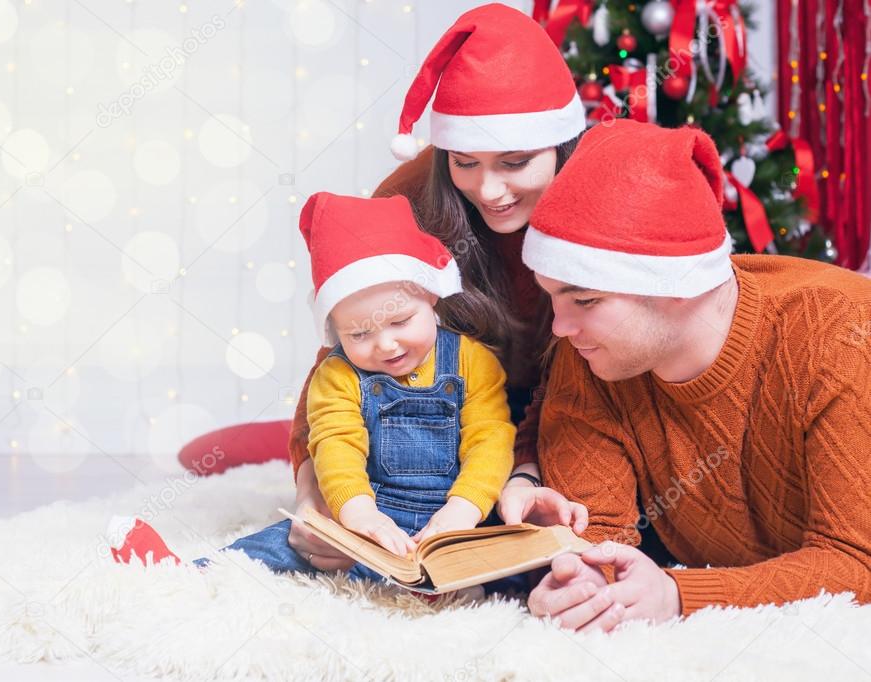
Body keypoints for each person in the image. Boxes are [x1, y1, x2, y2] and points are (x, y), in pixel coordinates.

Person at [178, 3, 589, 576]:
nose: (489, 190)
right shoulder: (410, 198)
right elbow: (340, 362)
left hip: (527, 431)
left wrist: (513, 480)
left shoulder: (595, 206)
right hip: (400, 425)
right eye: (465, 162)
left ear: (560, 145)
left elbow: (584, 402)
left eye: (515, 162)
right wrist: (314, 495)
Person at [113, 192, 584, 596]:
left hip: (462, 511)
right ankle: (187, 576)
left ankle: (459, 584)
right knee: (283, 543)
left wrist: (462, 511)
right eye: (358, 334)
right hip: (373, 508)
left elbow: (489, 438)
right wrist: (357, 514)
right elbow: (335, 444)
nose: (385, 344)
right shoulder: (338, 375)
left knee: (521, 559)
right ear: (334, 332)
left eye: (401, 321)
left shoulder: (471, 361)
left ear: (432, 297)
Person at [516, 119, 871, 632]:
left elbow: (858, 561)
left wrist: (678, 594)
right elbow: (600, 539)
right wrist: (588, 586)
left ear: (678, 284)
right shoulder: (592, 351)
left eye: (585, 299)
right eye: (552, 295)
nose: (560, 326)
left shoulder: (839, 335)